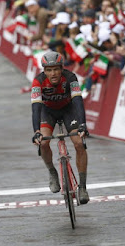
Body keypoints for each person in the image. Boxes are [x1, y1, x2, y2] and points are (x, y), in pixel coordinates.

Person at [31, 51, 90, 204]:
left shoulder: (70, 78)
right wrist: (36, 131)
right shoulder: (38, 81)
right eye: (49, 70)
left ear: (62, 68)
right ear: (44, 71)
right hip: (47, 111)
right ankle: (52, 172)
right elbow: (36, 107)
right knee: (43, 142)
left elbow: (78, 102)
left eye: (56, 69)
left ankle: (82, 186)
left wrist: (83, 123)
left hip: (68, 110)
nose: (53, 73)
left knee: (78, 143)